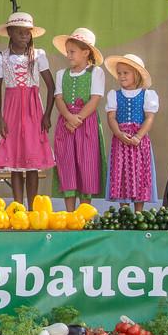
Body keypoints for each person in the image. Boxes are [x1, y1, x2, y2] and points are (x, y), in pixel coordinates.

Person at [0, 12, 56, 208]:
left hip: (33, 112)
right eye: (19, 32)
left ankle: (32, 209)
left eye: (27, 33)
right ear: (9, 33)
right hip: (11, 112)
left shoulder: (38, 56)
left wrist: (47, 115)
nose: (24, 36)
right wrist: (0, 119)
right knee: (16, 164)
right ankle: (18, 207)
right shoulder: (1, 57)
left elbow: (51, 87)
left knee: (32, 165)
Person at [52, 27, 107, 211]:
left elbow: (95, 98)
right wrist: (69, 117)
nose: (68, 55)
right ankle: (69, 213)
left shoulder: (96, 73)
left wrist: (78, 118)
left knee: (87, 165)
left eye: (72, 52)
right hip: (66, 123)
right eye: (67, 52)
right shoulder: (62, 74)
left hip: (86, 123)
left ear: (86, 52)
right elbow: (59, 99)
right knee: (67, 164)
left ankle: (84, 213)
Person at [104, 53, 159, 212]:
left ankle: (139, 212)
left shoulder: (147, 95)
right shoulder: (114, 95)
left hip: (138, 142)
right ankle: (124, 211)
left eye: (126, 73)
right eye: (119, 73)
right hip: (121, 140)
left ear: (137, 74)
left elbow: (149, 117)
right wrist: (119, 133)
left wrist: (139, 136)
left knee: (139, 173)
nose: (121, 76)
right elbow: (111, 117)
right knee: (121, 174)